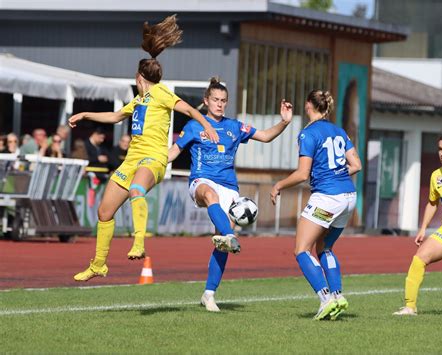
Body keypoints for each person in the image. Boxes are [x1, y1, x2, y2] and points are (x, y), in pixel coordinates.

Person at [70, 15, 218, 282]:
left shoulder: (161, 93)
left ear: (139, 77)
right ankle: (98, 264)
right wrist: (84, 115)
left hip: (153, 159)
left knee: (137, 190)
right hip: (131, 160)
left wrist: (207, 125)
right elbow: (115, 116)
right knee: (104, 212)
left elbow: (186, 109)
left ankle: (139, 242)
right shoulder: (139, 100)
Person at [168, 77, 293, 312]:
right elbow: (175, 150)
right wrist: (151, 165)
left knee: (221, 245)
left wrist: (284, 122)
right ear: (206, 101)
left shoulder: (234, 127)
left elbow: (265, 136)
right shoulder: (195, 125)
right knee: (212, 199)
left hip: (229, 188)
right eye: (215, 100)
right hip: (202, 181)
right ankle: (229, 234)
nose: (219, 104)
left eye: (223, 101)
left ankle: (209, 293)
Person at [270, 90, 362, 321]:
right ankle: (338, 295)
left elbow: (302, 174)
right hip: (349, 197)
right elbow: (356, 165)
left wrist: (279, 185)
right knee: (324, 248)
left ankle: (325, 299)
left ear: (307, 104)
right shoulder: (339, 131)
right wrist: (336, 174)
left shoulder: (308, 133)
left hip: (328, 197)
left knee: (301, 249)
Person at [393, 129, 442, 316]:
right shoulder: (436, 176)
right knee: (419, 258)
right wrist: (422, 229)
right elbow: (432, 203)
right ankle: (409, 307)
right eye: (440, 149)